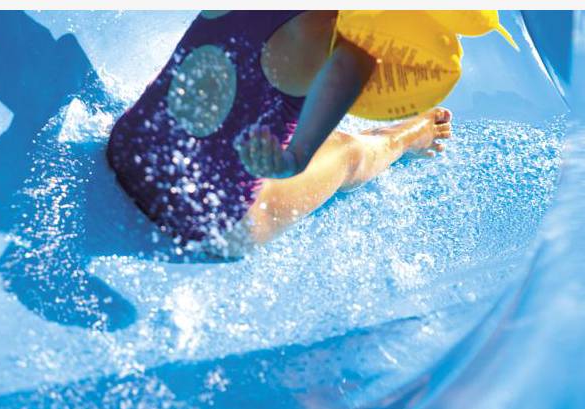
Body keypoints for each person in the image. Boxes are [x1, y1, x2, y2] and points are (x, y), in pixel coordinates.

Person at [107, 11, 452, 259]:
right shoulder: (344, 44)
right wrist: (291, 160)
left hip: (128, 150)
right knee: (346, 152)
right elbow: (347, 74)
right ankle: (409, 135)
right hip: (205, 220)